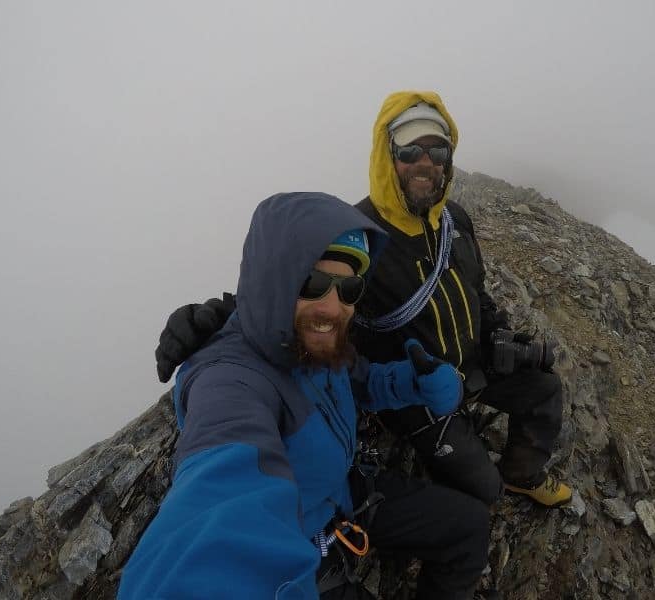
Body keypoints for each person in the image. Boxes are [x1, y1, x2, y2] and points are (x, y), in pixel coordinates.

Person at [156, 91, 571, 509]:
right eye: (409, 149)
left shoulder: (455, 220)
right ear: (387, 156)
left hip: (471, 362)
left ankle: (523, 473)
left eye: (437, 150)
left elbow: (476, 290)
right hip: (412, 389)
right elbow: (290, 287)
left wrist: (498, 335)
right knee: (484, 493)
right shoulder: (362, 233)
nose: (424, 161)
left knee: (545, 388)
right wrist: (213, 318)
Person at [120, 192, 490, 600]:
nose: (333, 307)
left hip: (347, 493)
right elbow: (218, 509)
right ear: (273, 280)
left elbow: (361, 380)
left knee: (470, 528)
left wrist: (416, 382)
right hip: (306, 543)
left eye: (349, 288)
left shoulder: (312, 345)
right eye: (313, 283)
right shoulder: (230, 379)